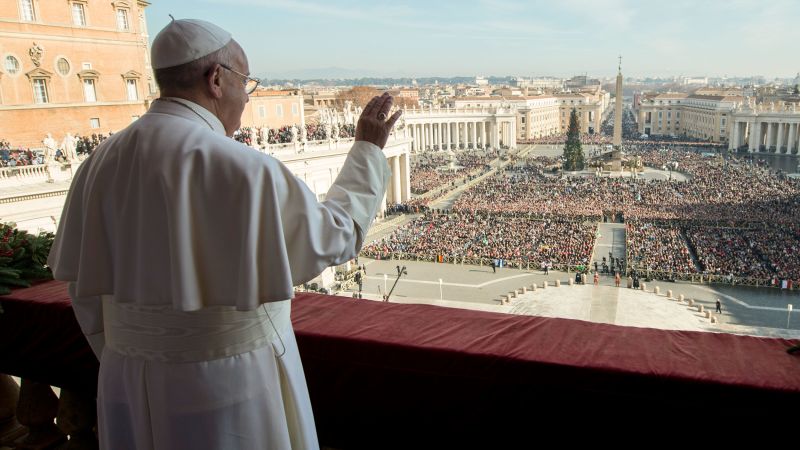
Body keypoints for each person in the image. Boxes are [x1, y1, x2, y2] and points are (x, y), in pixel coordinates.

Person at [48, 18, 401, 450]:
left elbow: (83, 289)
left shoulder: (97, 164)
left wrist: (128, 354)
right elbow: (333, 237)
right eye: (245, 84)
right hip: (231, 381)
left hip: (127, 379)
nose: (246, 98)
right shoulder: (243, 167)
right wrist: (366, 149)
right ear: (216, 79)